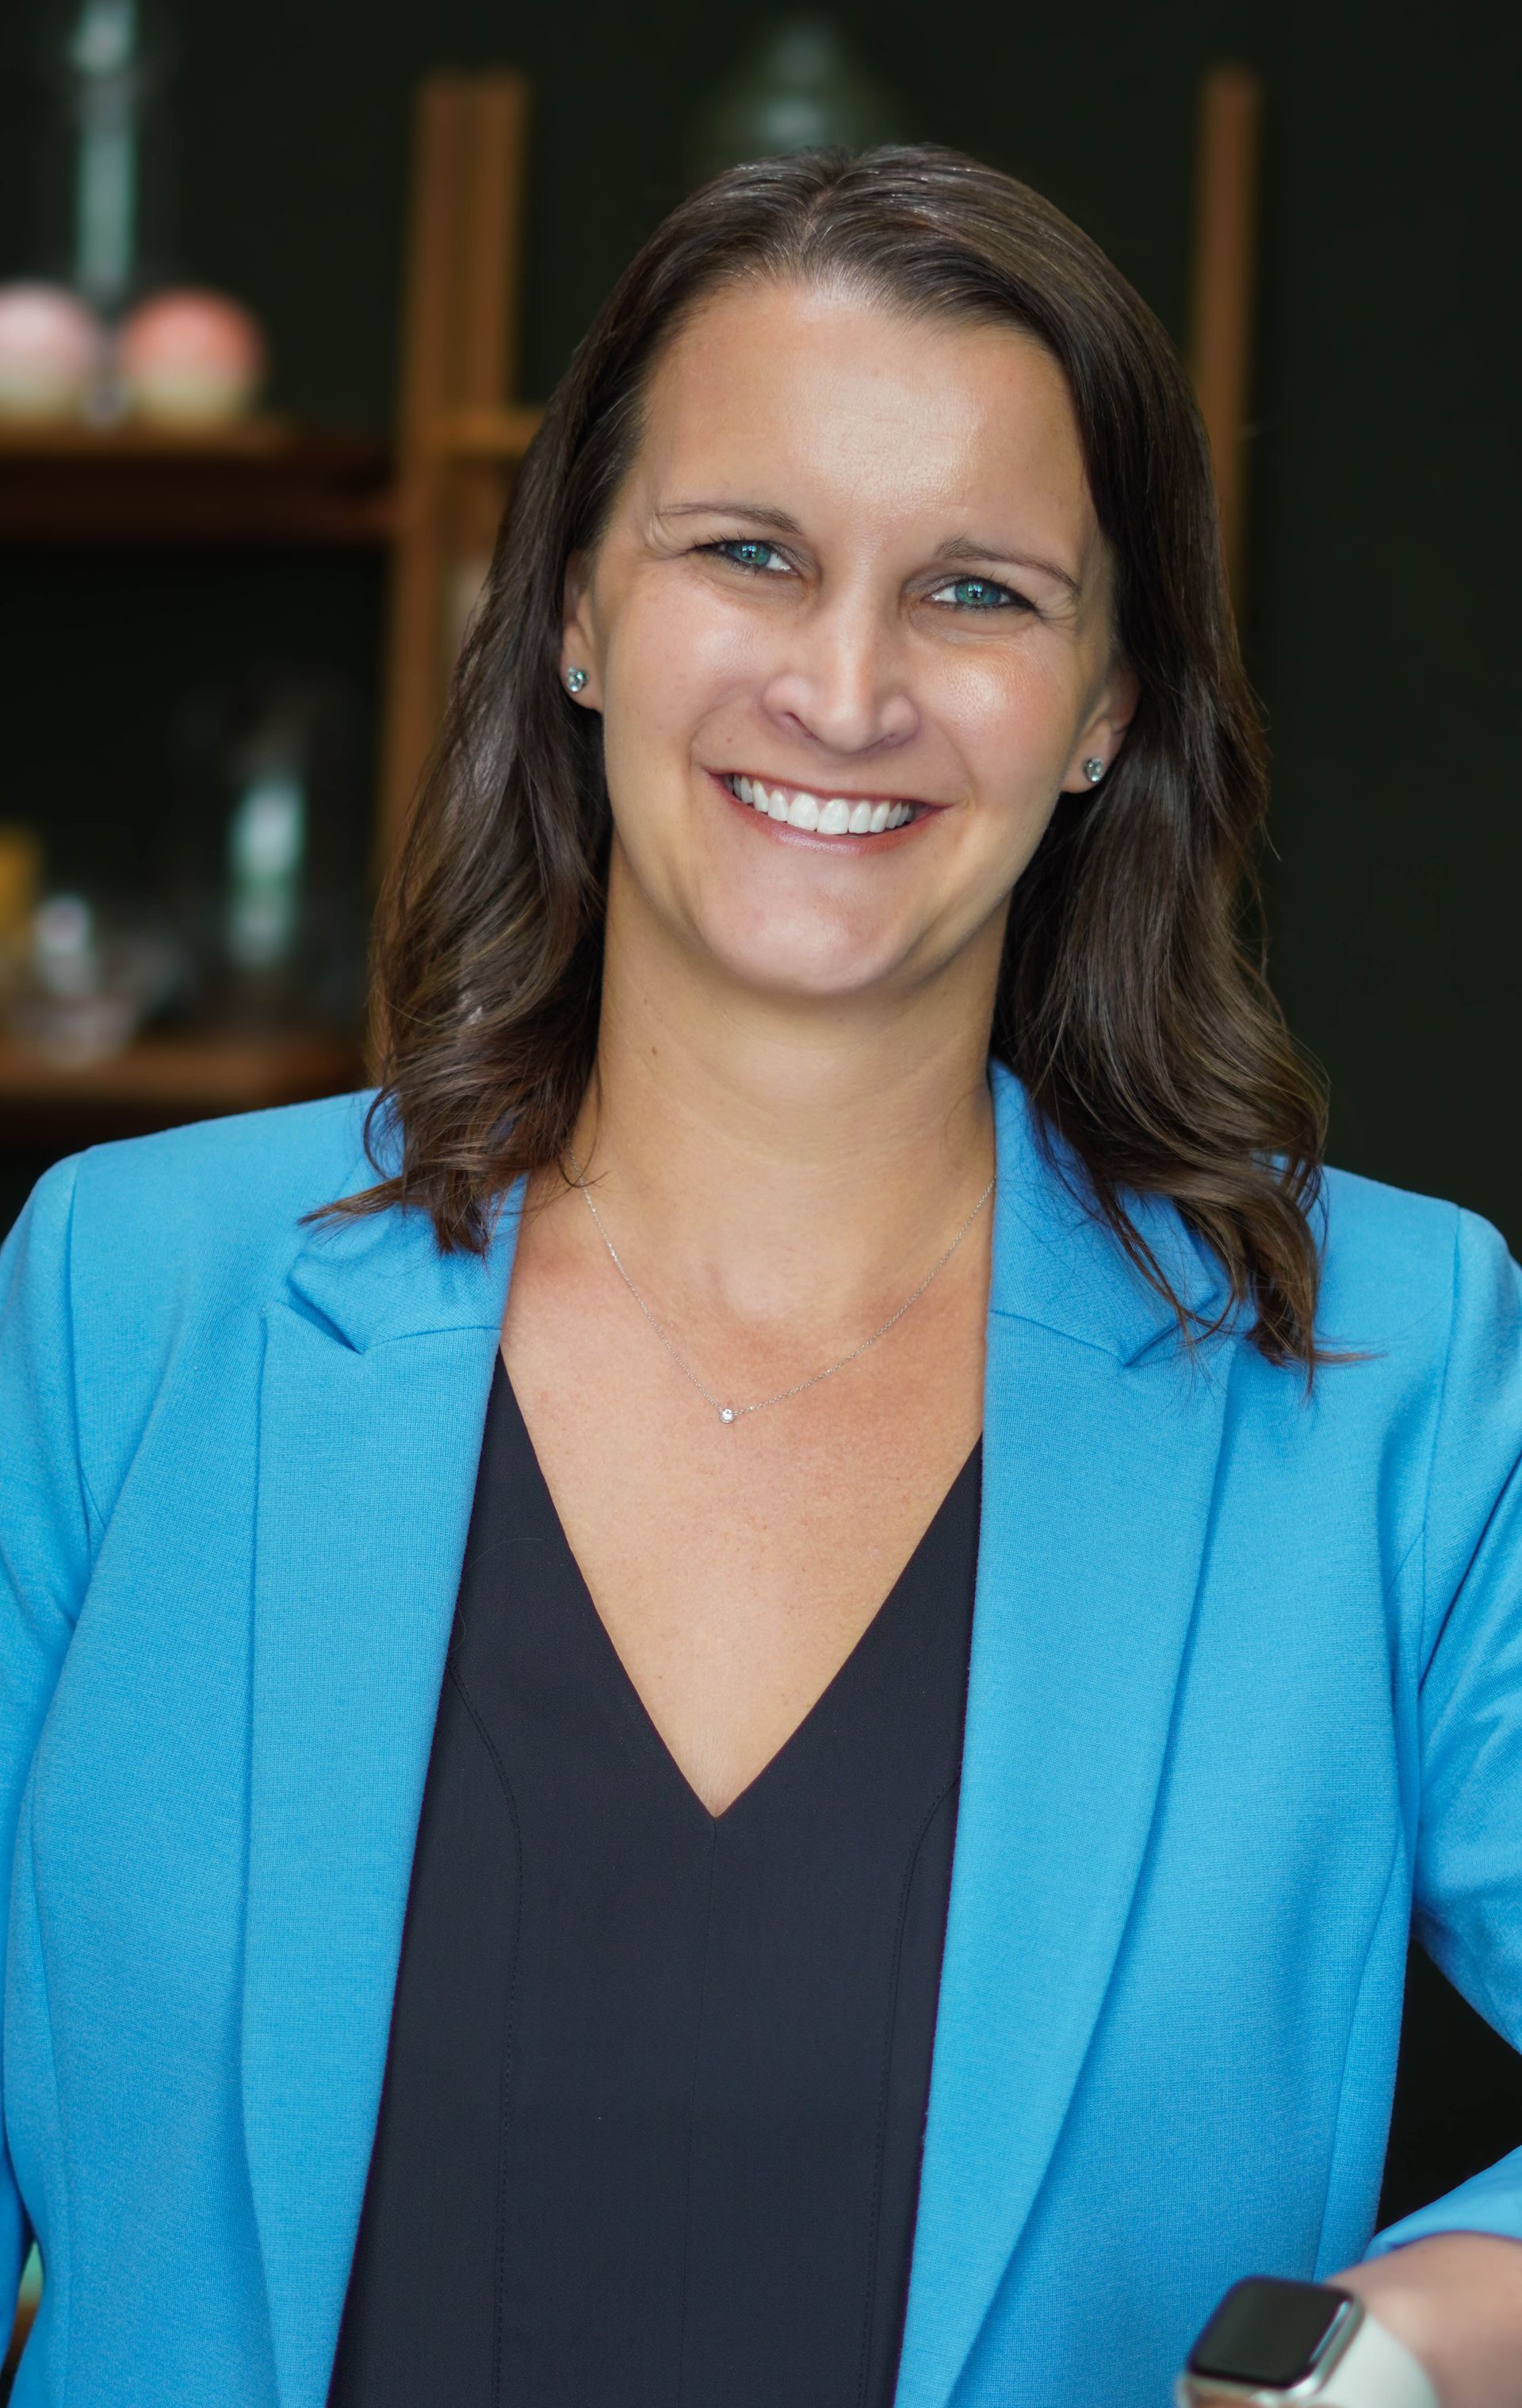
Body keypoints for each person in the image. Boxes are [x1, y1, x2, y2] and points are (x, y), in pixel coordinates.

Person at [2, 144, 1520, 2408]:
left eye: (980, 595)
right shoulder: (131, 1298)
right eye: (749, 552)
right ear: (579, 614)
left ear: (1107, 704)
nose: (845, 684)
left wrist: (1401, 2335)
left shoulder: (1392, 1369)